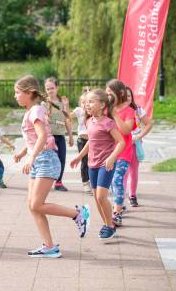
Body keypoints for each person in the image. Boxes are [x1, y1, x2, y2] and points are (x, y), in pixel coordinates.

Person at [14, 75, 90, 258]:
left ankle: (78, 214)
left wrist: (31, 157)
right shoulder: (32, 111)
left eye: (17, 92)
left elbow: (42, 137)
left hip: (46, 160)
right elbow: (34, 139)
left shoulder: (36, 110)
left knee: (36, 204)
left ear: (29, 92)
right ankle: (49, 247)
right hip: (39, 159)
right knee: (33, 206)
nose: (15, 96)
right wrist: (24, 153)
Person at [70, 89, 125, 241]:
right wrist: (79, 157)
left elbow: (121, 142)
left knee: (101, 196)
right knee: (96, 198)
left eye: (91, 102)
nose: (87, 104)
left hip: (105, 164)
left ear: (102, 105)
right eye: (86, 102)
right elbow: (91, 141)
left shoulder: (108, 122)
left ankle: (109, 226)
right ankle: (108, 224)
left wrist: (112, 157)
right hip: (91, 164)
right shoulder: (89, 121)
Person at [105, 79, 136, 226]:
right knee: (111, 182)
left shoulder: (129, 111)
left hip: (124, 152)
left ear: (121, 93)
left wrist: (115, 114)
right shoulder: (106, 109)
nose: (108, 96)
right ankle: (119, 203)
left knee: (117, 180)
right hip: (109, 152)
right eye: (107, 93)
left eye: (110, 93)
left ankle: (116, 213)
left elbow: (126, 130)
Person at [43, 77, 74, 192]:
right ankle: (45, 182)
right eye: (48, 89)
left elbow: (67, 119)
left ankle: (59, 182)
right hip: (49, 136)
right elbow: (43, 119)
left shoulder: (63, 102)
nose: (50, 91)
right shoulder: (44, 103)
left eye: (52, 88)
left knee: (61, 159)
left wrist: (70, 136)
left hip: (60, 136)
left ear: (57, 88)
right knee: (49, 159)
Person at [125, 86, 153, 207]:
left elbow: (148, 124)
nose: (126, 98)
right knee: (122, 172)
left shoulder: (138, 110)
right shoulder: (115, 110)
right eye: (124, 96)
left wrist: (139, 136)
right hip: (122, 145)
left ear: (132, 97)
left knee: (133, 171)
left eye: (129, 96)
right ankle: (120, 199)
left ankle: (132, 195)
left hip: (135, 144)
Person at [71, 91, 92, 194]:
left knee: (92, 161)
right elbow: (68, 116)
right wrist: (65, 106)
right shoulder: (79, 111)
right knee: (84, 161)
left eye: (88, 102)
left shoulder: (92, 112)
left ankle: (92, 181)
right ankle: (85, 183)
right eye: (83, 102)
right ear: (80, 103)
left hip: (92, 140)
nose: (85, 104)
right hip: (82, 140)